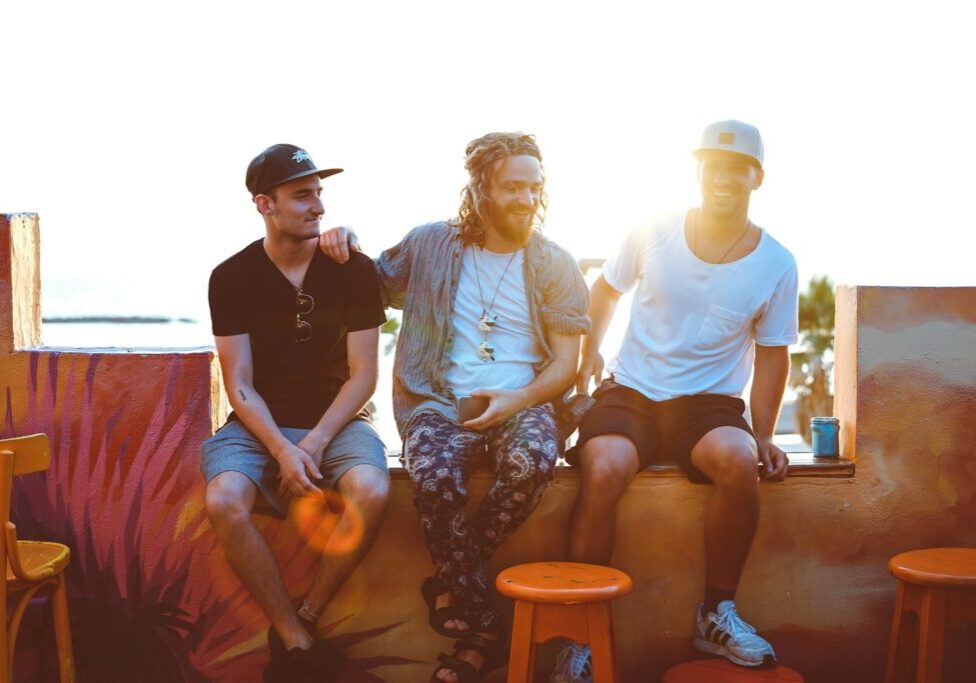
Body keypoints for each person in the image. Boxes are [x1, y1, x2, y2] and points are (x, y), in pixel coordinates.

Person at [320, 132, 589, 683]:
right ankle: (485, 626)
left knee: (532, 462)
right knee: (436, 481)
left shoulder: (556, 264)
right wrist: (342, 240)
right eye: (512, 186)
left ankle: (452, 587)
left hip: (525, 400)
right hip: (437, 401)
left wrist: (517, 398)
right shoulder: (429, 245)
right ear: (480, 187)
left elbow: (565, 366)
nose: (526, 199)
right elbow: (366, 283)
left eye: (534, 187)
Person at [551, 120, 798, 682]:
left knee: (739, 463)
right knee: (605, 465)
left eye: (737, 168)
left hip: (707, 403)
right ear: (698, 171)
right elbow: (605, 290)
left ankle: (716, 614)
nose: (723, 177)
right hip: (633, 390)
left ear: (757, 178)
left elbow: (773, 354)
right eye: (713, 165)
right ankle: (579, 634)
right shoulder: (654, 228)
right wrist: (590, 354)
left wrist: (762, 434)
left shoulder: (776, 262)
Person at [202, 144, 390, 683]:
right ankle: (294, 636)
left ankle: (306, 617)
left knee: (373, 492)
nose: (319, 208)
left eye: (320, 194)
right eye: (302, 195)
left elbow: (364, 376)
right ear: (265, 204)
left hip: (338, 419)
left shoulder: (353, 270)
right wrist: (282, 448)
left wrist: (312, 443)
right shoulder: (230, 276)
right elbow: (238, 384)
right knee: (224, 501)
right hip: (257, 423)